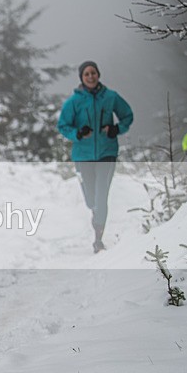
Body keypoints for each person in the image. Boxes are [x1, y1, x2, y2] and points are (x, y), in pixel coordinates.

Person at [57, 60, 133, 253]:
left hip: (107, 153)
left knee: (101, 197)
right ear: (81, 78)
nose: (90, 76)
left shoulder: (111, 97)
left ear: (98, 75)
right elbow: (63, 126)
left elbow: (127, 116)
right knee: (91, 199)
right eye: (86, 74)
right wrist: (78, 133)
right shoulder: (74, 102)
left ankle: (98, 239)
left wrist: (116, 129)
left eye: (93, 73)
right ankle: (96, 214)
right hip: (83, 155)